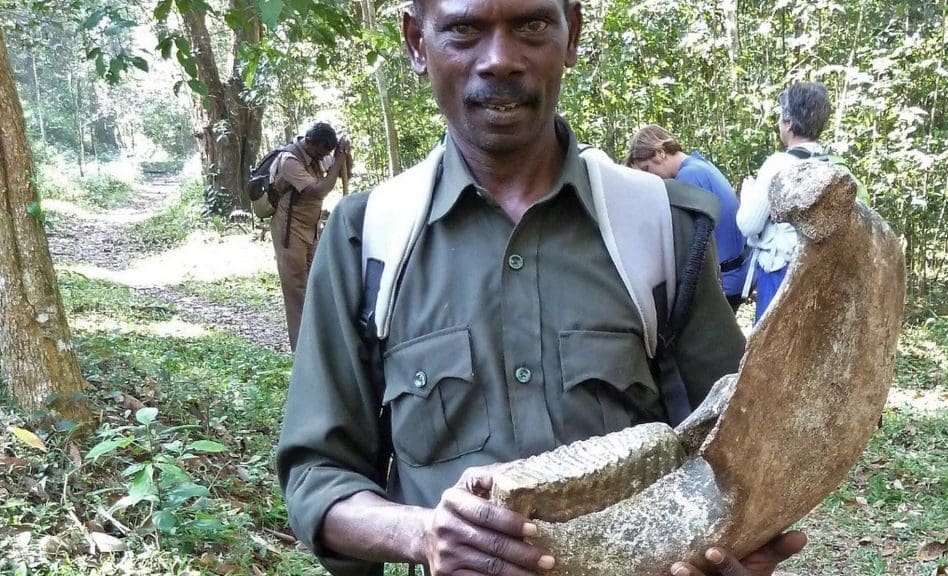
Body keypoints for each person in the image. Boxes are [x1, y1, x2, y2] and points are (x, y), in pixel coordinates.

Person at [275, 2, 807, 576]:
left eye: (529, 25)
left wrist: (737, 548)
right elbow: (316, 476)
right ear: (416, 42)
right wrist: (422, 533)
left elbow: (734, 458)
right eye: (464, 30)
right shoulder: (367, 241)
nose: (500, 60)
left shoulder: (663, 229)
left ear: (571, 34)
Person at [627, 125, 752, 312]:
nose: (649, 177)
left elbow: (685, 243)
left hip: (726, 281)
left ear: (660, 153)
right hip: (738, 272)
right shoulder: (699, 164)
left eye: (647, 169)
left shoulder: (688, 177)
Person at [737, 82, 832, 324]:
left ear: (788, 123)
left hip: (780, 269)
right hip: (817, 270)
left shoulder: (778, 165)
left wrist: (747, 195)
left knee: (770, 346)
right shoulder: (829, 165)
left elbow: (749, 224)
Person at [269, 121, 352, 351]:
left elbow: (343, 170)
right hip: (289, 230)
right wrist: (336, 161)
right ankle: (301, 349)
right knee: (295, 288)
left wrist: (343, 154)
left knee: (317, 281)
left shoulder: (317, 154)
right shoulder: (289, 161)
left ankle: (319, 340)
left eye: (326, 153)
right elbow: (318, 191)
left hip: (311, 229)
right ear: (310, 142)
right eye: (320, 152)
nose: (321, 157)